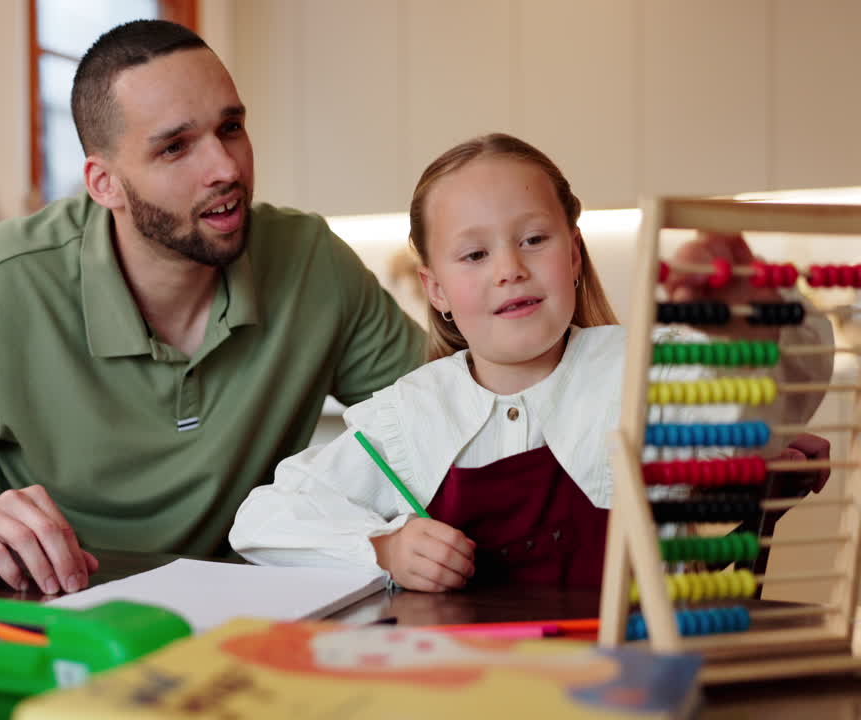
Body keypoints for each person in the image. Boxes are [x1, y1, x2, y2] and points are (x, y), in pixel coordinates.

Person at [0, 20, 425, 595]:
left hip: (257, 624)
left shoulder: (312, 260)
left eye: (230, 127)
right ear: (104, 184)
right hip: (59, 627)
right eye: (175, 147)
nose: (225, 166)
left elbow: (449, 421)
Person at [229, 133, 833, 592]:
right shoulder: (408, 418)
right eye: (473, 253)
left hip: (628, 680)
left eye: (534, 240)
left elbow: (779, 395)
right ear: (435, 290)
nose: (508, 268)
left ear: (573, 254)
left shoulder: (648, 373)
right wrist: (382, 549)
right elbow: (262, 521)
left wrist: (755, 313)